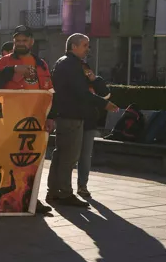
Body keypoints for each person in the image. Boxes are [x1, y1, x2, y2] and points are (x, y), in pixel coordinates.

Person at [0, 26, 54, 215]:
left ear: (31, 42)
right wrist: (13, 70)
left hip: (34, 122)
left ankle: (30, 198)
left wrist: (50, 116)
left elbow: (49, 92)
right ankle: (5, 198)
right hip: (9, 121)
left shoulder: (41, 64)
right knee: (6, 161)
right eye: (17, 40)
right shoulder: (4, 62)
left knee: (32, 162)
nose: (21, 43)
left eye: (25, 40)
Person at [47, 33, 117, 208]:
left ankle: (54, 191)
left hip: (68, 115)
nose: (88, 49)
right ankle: (64, 192)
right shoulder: (70, 64)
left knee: (61, 155)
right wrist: (104, 104)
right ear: (74, 46)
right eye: (85, 45)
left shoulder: (68, 63)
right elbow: (80, 93)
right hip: (71, 116)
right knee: (69, 156)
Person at [76, 62, 113, 200]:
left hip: (89, 123)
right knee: (70, 156)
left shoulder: (95, 81)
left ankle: (82, 185)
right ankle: (64, 186)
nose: (85, 73)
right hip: (73, 120)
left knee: (85, 156)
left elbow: (106, 96)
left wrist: (95, 81)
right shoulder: (73, 82)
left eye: (86, 70)